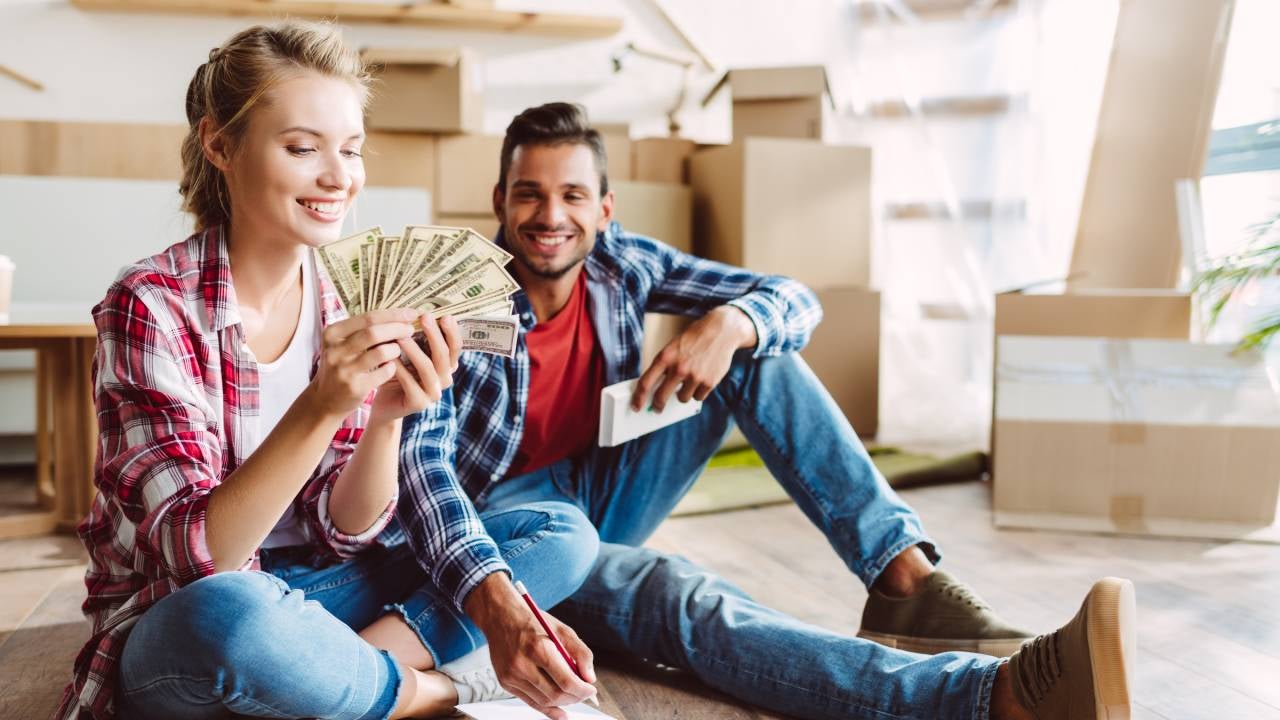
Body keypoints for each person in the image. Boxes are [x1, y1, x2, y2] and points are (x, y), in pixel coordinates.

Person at [397, 102, 1138, 720]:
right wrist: (494, 598)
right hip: (514, 531)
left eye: (572, 196)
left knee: (757, 348)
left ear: (605, 208)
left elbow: (794, 299)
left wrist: (733, 324)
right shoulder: (459, 293)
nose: (550, 215)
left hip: (601, 486)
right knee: (680, 595)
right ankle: (986, 699)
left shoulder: (621, 263)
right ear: (499, 202)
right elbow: (422, 472)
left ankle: (905, 580)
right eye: (528, 193)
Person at [56, 25, 600, 720]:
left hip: (320, 594)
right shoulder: (151, 304)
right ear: (219, 145)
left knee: (560, 532)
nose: (340, 177)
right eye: (302, 148)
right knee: (233, 617)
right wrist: (320, 405)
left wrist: (384, 419)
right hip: (188, 612)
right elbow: (203, 558)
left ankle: (319, 679)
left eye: (350, 149)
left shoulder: (347, 295)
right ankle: (423, 690)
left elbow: (345, 531)